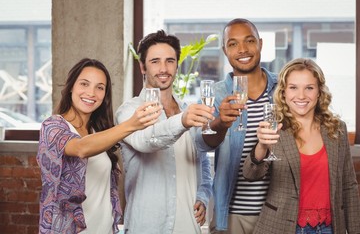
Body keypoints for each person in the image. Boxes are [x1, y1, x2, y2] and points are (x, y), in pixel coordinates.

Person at [37, 58, 162, 233]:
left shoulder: (99, 130)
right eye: (84, 84)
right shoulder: (53, 126)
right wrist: (132, 124)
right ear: (71, 86)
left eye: (100, 87)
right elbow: (81, 148)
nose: (91, 93)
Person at [243, 58, 360, 233]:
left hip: (330, 227)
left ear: (319, 92)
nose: (301, 96)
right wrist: (261, 146)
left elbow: (349, 186)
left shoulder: (337, 129)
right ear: (283, 92)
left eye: (309, 88)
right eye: (293, 87)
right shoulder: (273, 128)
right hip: (281, 226)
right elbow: (251, 174)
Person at [115, 30, 214, 234]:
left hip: (189, 227)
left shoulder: (189, 110)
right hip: (147, 226)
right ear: (142, 66)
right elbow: (147, 141)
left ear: (177, 65)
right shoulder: (129, 111)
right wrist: (182, 121)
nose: (163, 68)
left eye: (170, 61)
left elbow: (202, 163)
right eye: (155, 61)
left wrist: (203, 196)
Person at [198, 18, 278, 233]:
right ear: (225, 50)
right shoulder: (216, 94)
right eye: (233, 44)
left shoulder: (283, 90)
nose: (243, 49)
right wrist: (221, 123)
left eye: (249, 41)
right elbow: (201, 143)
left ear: (260, 43)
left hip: (279, 212)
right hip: (232, 214)